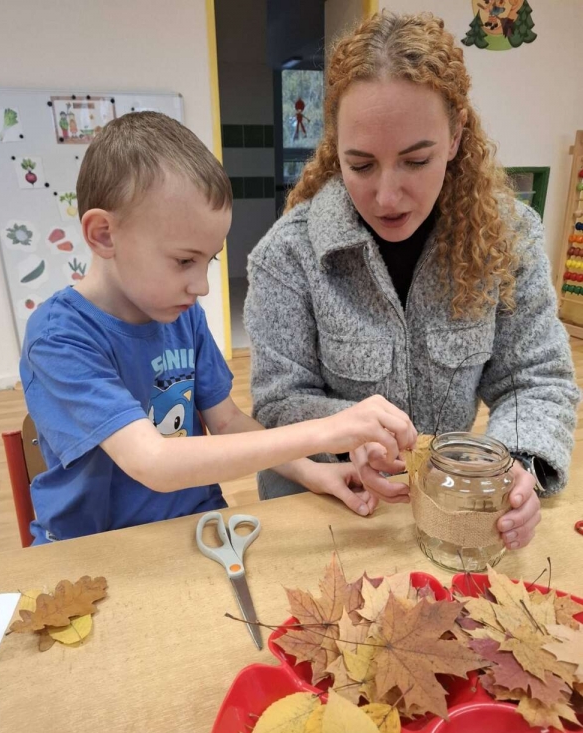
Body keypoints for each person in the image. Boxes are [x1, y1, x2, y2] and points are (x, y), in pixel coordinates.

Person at [244, 10, 580, 552]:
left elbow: (535, 378)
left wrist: (516, 465)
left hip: (450, 514)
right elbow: (279, 401)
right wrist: (347, 434)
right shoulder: (287, 255)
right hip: (321, 512)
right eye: (361, 165)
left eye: (416, 160)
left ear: (455, 135)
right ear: (336, 147)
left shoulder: (507, 238)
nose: (387, 196)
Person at [20, 112, 418, 545]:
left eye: (208, 261)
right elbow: (153, 461)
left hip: (195, 526)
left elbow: (226, 421)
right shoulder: (58, 338)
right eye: (183, 261)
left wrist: (311, 470)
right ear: (103, 235)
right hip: (95, 547)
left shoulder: (180, 315)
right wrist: (330, 428)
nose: (202, 286)